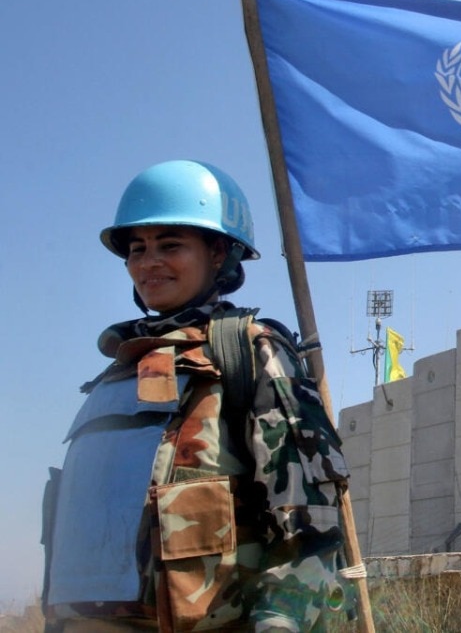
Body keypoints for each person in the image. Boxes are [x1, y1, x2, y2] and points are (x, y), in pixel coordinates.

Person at [42, 161, 350, 632]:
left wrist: (281, 620)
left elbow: (310, 520)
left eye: (171, 245)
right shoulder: (119, 369)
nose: (149, 262)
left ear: (219, 253)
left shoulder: (248, 350)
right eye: (137, 249)